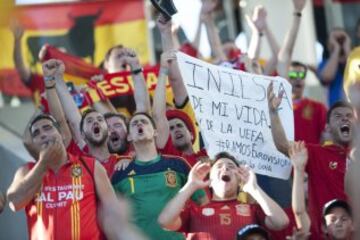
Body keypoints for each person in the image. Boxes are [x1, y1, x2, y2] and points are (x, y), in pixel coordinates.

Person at [6, 114, 142, 240]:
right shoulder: (26, 170)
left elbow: (113, 212)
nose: (42, 134)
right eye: (36, 133)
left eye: (47, 128)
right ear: (34, 144)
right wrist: (43, 163)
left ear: (62, 135)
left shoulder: (91, 165)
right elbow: (14, 203)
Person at [268, 81, 355, 239]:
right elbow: (282, 144)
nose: (345, 120)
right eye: (338, 116)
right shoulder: (315, 153)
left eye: (350, 116)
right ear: (327, 127)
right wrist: (273, 113)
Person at [111, 112, 207, 240]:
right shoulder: (120, 173)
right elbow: (113, 218)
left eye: (144, 122)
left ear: (155, 132)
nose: (139, 123)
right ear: (129, 137)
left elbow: (203, 202)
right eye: (134, 123)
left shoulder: (178, 164)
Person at [158, 152, 289, 239]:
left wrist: (254, 188)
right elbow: (164, 221)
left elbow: (281, 222)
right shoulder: (194, 211)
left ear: (239, 181)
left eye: (231, 166)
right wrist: (190, 185)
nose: (225, 169)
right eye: (219, 166)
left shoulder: (253, 210)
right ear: (209, 181)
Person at [288, 61, 327, 144]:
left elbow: (327, 138)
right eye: (293, 75)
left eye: (301, 75)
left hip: (310, 156)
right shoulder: (277, 108)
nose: (298, 79)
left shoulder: (319, 108)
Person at [318, 28, 352, 106]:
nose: (339, 42)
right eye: (335, 39)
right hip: (336, 111)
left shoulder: (356, 60)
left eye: (342, 39)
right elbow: (326, 78)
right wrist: (336, 49)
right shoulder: (324, 64)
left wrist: (347, 48)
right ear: (328, 44)